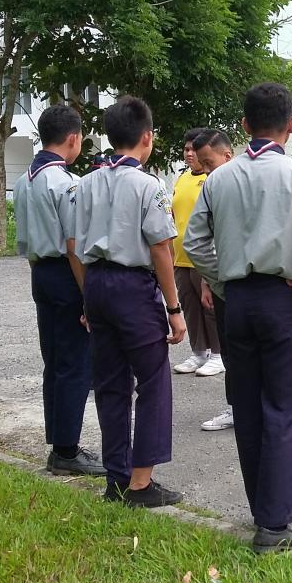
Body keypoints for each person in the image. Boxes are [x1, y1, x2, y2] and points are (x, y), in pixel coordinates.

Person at [184, 82, 292, 553]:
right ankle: (274, 525)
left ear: (245, 126)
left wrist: (220, 283)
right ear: (291, 126)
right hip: (283, 301)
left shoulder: (218, 178)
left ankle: (262, 511)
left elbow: (194, 245)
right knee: (285, 409)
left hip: (239, 302)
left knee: (249, 406)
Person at [74, 95, 186, 508]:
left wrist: (87, 296)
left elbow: (73, 245)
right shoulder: (149, 185)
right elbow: (160, 247)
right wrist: (174, 309)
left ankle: (115, 476)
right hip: (132, 288)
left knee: (110, 384)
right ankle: (140, 483)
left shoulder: (85, 182)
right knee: (154, 380)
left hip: (97, 283)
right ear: (147, 137)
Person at [12, 103, 105, 477]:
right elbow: (73, 245)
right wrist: (88, 295)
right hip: (67, 276)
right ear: (73, 139)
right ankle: (66, 450)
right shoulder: (66, 183)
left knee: (54, 361)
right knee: (74, 365)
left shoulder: (25, 179)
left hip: (40, 272)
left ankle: (60, 442)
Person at [190, 129, 238, 432]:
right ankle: (236, 407)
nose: (206, 171)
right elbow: (205, 241)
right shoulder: (212, 186)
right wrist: (211, 281)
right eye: (202, 165)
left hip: (239, 283)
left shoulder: (238, 185)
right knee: (232, 352)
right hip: (224, 281)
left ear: (227, 155)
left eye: (210, 163)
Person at [171, 129, 224, 378]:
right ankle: (199, 351)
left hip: (204, 257)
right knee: (190, 307)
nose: (190, 154)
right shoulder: (181, 180)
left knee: (210, 307)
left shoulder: (212, 179)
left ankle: (217, 354)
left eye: (194, 149)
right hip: (180, 256)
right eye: (186, 149)